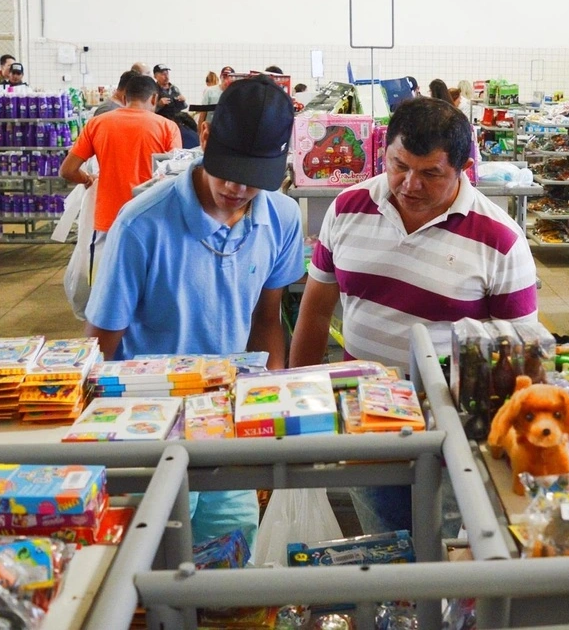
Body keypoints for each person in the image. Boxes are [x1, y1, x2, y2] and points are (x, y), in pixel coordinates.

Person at [290, 96, 538, 534]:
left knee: (446, 553)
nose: (409, 184)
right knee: (385, 546)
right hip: (367, 425)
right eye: (399, 165)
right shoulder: (348, 208)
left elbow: (519, 361)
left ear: (462, 167)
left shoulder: (500, 239)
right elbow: (313, 314)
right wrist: (301, 406)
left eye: (431, 174)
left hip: (453, 437)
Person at [84, 75, 303, 552]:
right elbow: (100, 342)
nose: (239, 186)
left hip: (225, 428)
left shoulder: (281, 219)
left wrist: (268, 412)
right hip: (147, 430)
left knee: (228, 560)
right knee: (150, 569)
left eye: (256, 176)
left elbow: (267, 320)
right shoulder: (142, 224)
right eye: (228, 169)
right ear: (203, 136)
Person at [59, 74, 182, 276]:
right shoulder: (167, 127)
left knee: (105, 287)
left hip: (108, 222)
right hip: (152, 222)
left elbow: (67, 170)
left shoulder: (97, 123)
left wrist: (87, 179)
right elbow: (174, 176)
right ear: (153, 99)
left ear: (124, 97)